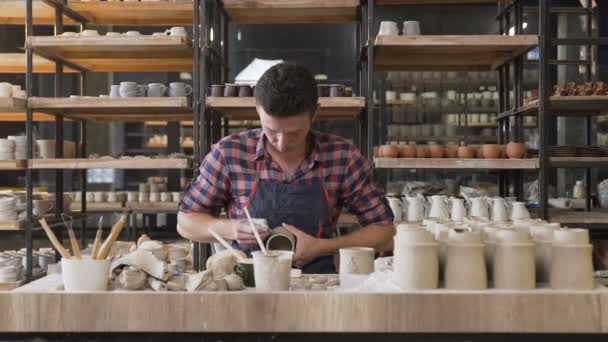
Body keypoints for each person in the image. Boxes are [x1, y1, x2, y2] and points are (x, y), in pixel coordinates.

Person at [177, 62, 394, 273]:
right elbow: (185, 222)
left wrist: (322, 247)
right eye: (272, 131)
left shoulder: (342, 157)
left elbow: (385, 233)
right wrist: (232, 229)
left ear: (315, 114)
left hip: (317, 286)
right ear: (258, 110)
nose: (281, 143)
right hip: (247, 288)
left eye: (294, 133)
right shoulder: (229, 153)